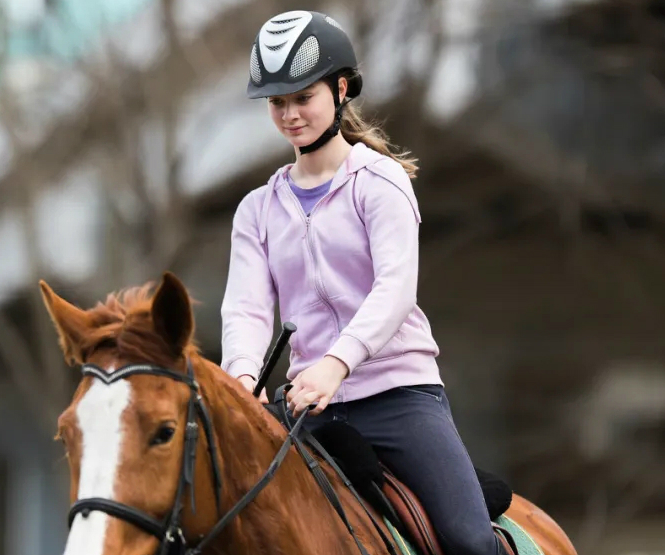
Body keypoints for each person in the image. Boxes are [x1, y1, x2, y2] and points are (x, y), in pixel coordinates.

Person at [219, 10, 515, 555]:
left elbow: (396, 289)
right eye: (277, 102)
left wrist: (338, 362)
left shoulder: (380, 182)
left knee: (470, 543)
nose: (289, 114)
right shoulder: (256, 210)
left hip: (399, 396)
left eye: (301, 98)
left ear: (340, 88)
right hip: (307, 407)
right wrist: (241, 379)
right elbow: (246, 309)